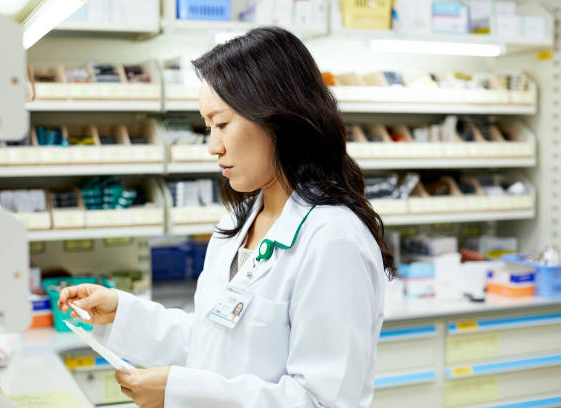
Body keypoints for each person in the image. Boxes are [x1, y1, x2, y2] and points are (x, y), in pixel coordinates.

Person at [58, 26, 395, 408]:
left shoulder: (333, 239)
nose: (212, 147)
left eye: (221, 124)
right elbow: (212, 341)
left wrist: (182, 392)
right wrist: (122, 315)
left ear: (277, 117)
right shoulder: (237, 225)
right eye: (207, 128)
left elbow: (322, 401)